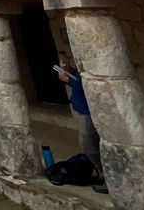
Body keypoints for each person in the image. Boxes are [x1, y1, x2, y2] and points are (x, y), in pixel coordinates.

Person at [58, 61, 107, 194]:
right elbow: (81, 77)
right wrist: (70, 70)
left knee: (88, 141)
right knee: (88, 142)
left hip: (88, 107)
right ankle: (102, 173)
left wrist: (69, 80)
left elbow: (86, 84)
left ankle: (106, 176)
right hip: (84, 106)